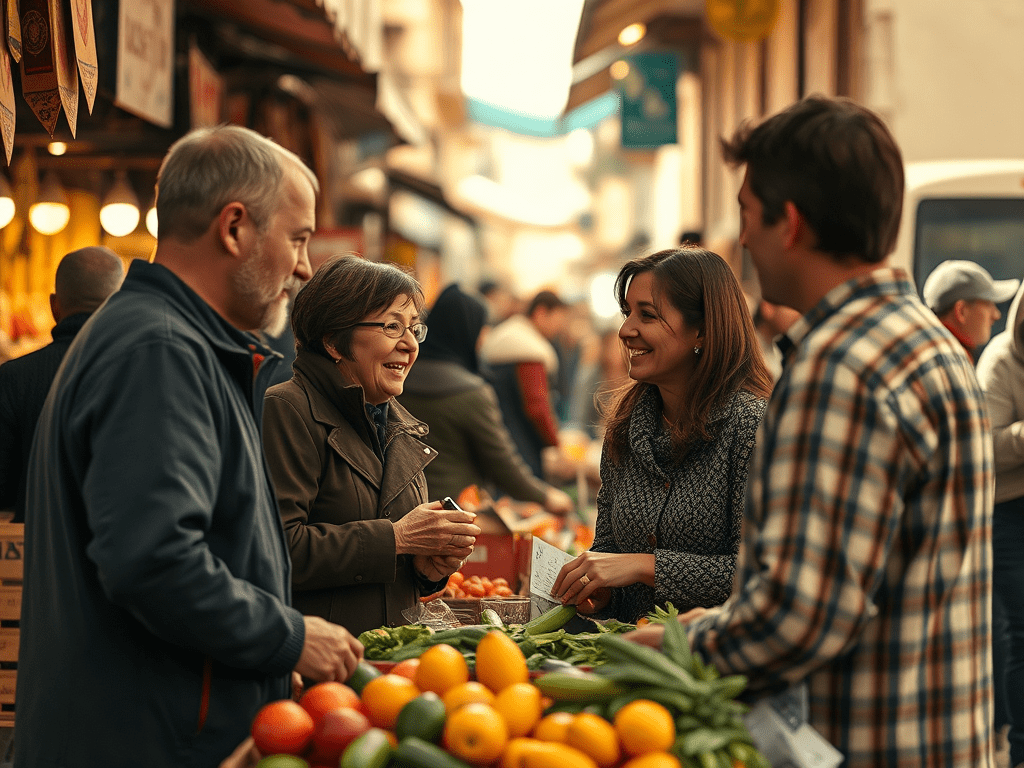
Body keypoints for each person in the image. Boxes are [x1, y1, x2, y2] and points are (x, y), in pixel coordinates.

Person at [630, 96, 995, 766]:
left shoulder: (842, 367)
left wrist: (679, 646)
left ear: (788, 223)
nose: (740, 239)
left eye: (746, 214)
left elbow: (803, 616)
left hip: (861, 744)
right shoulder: (928, 342)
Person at [15, 125, 364, 768]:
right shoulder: (162, 351)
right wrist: (287, 639)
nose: (307, 266)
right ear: (234, 228)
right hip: (140, 742)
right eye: (298, 238)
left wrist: (256, 664)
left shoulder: (176, 342)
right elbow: (154, 559)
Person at [261, 256, 481, 637]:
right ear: (334, 341)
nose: (409, 344)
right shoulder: (288, 408)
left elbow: (392, 562)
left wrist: (425, 571)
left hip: (391, 663)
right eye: (392, 326)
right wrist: (396, 538)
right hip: (321, 659)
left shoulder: (396, 423)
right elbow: (276, 548)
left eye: (414, 329)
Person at [552, 247, 772, 623]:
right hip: (633, 661)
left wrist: (643, 566)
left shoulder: (752, 427)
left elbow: (756, 574)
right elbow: (608, 553)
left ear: (702, 328)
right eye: (627, 313)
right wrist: (599, 593)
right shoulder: (624, 428)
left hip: (709, 668)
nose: (625, 330)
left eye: (647, 315)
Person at [399, 283, 574, 514]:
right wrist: (545, 496)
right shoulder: (470, 391)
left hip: (405, 508)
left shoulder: (401, 379)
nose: (486, 336)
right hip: (457, 511)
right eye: (482, 328)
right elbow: (502, 463)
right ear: (467, 329)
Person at [0, 246, 124, 522]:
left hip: (36, 554)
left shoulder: (12, 378)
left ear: (54, 305)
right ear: (119, 306)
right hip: (122, 558)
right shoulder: (147, 376)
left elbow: (2, 488)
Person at [977, 280, 1024, 767]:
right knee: (1019, 631)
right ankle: (1018, 749)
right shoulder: (1000, 361)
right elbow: (986, 445)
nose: (993, 311)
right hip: (1008, 509)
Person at [480, 289, 569, 478]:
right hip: (521, 445)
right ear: (541, 313)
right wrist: (556, 443)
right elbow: (536, 406)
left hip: (496, 438)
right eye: (557, 319)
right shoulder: (528, 349)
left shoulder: (504, 335)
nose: (559, 327)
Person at [922, 259, 1019, 360]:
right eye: (989, 304)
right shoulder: (950, 362)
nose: (996, 315)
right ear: (961, 311)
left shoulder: (939, 354)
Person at [751, 297, 801, 382]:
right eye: (791, 307)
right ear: (767, 307)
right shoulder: (749, 353)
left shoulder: (777, 350)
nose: (797, 315)